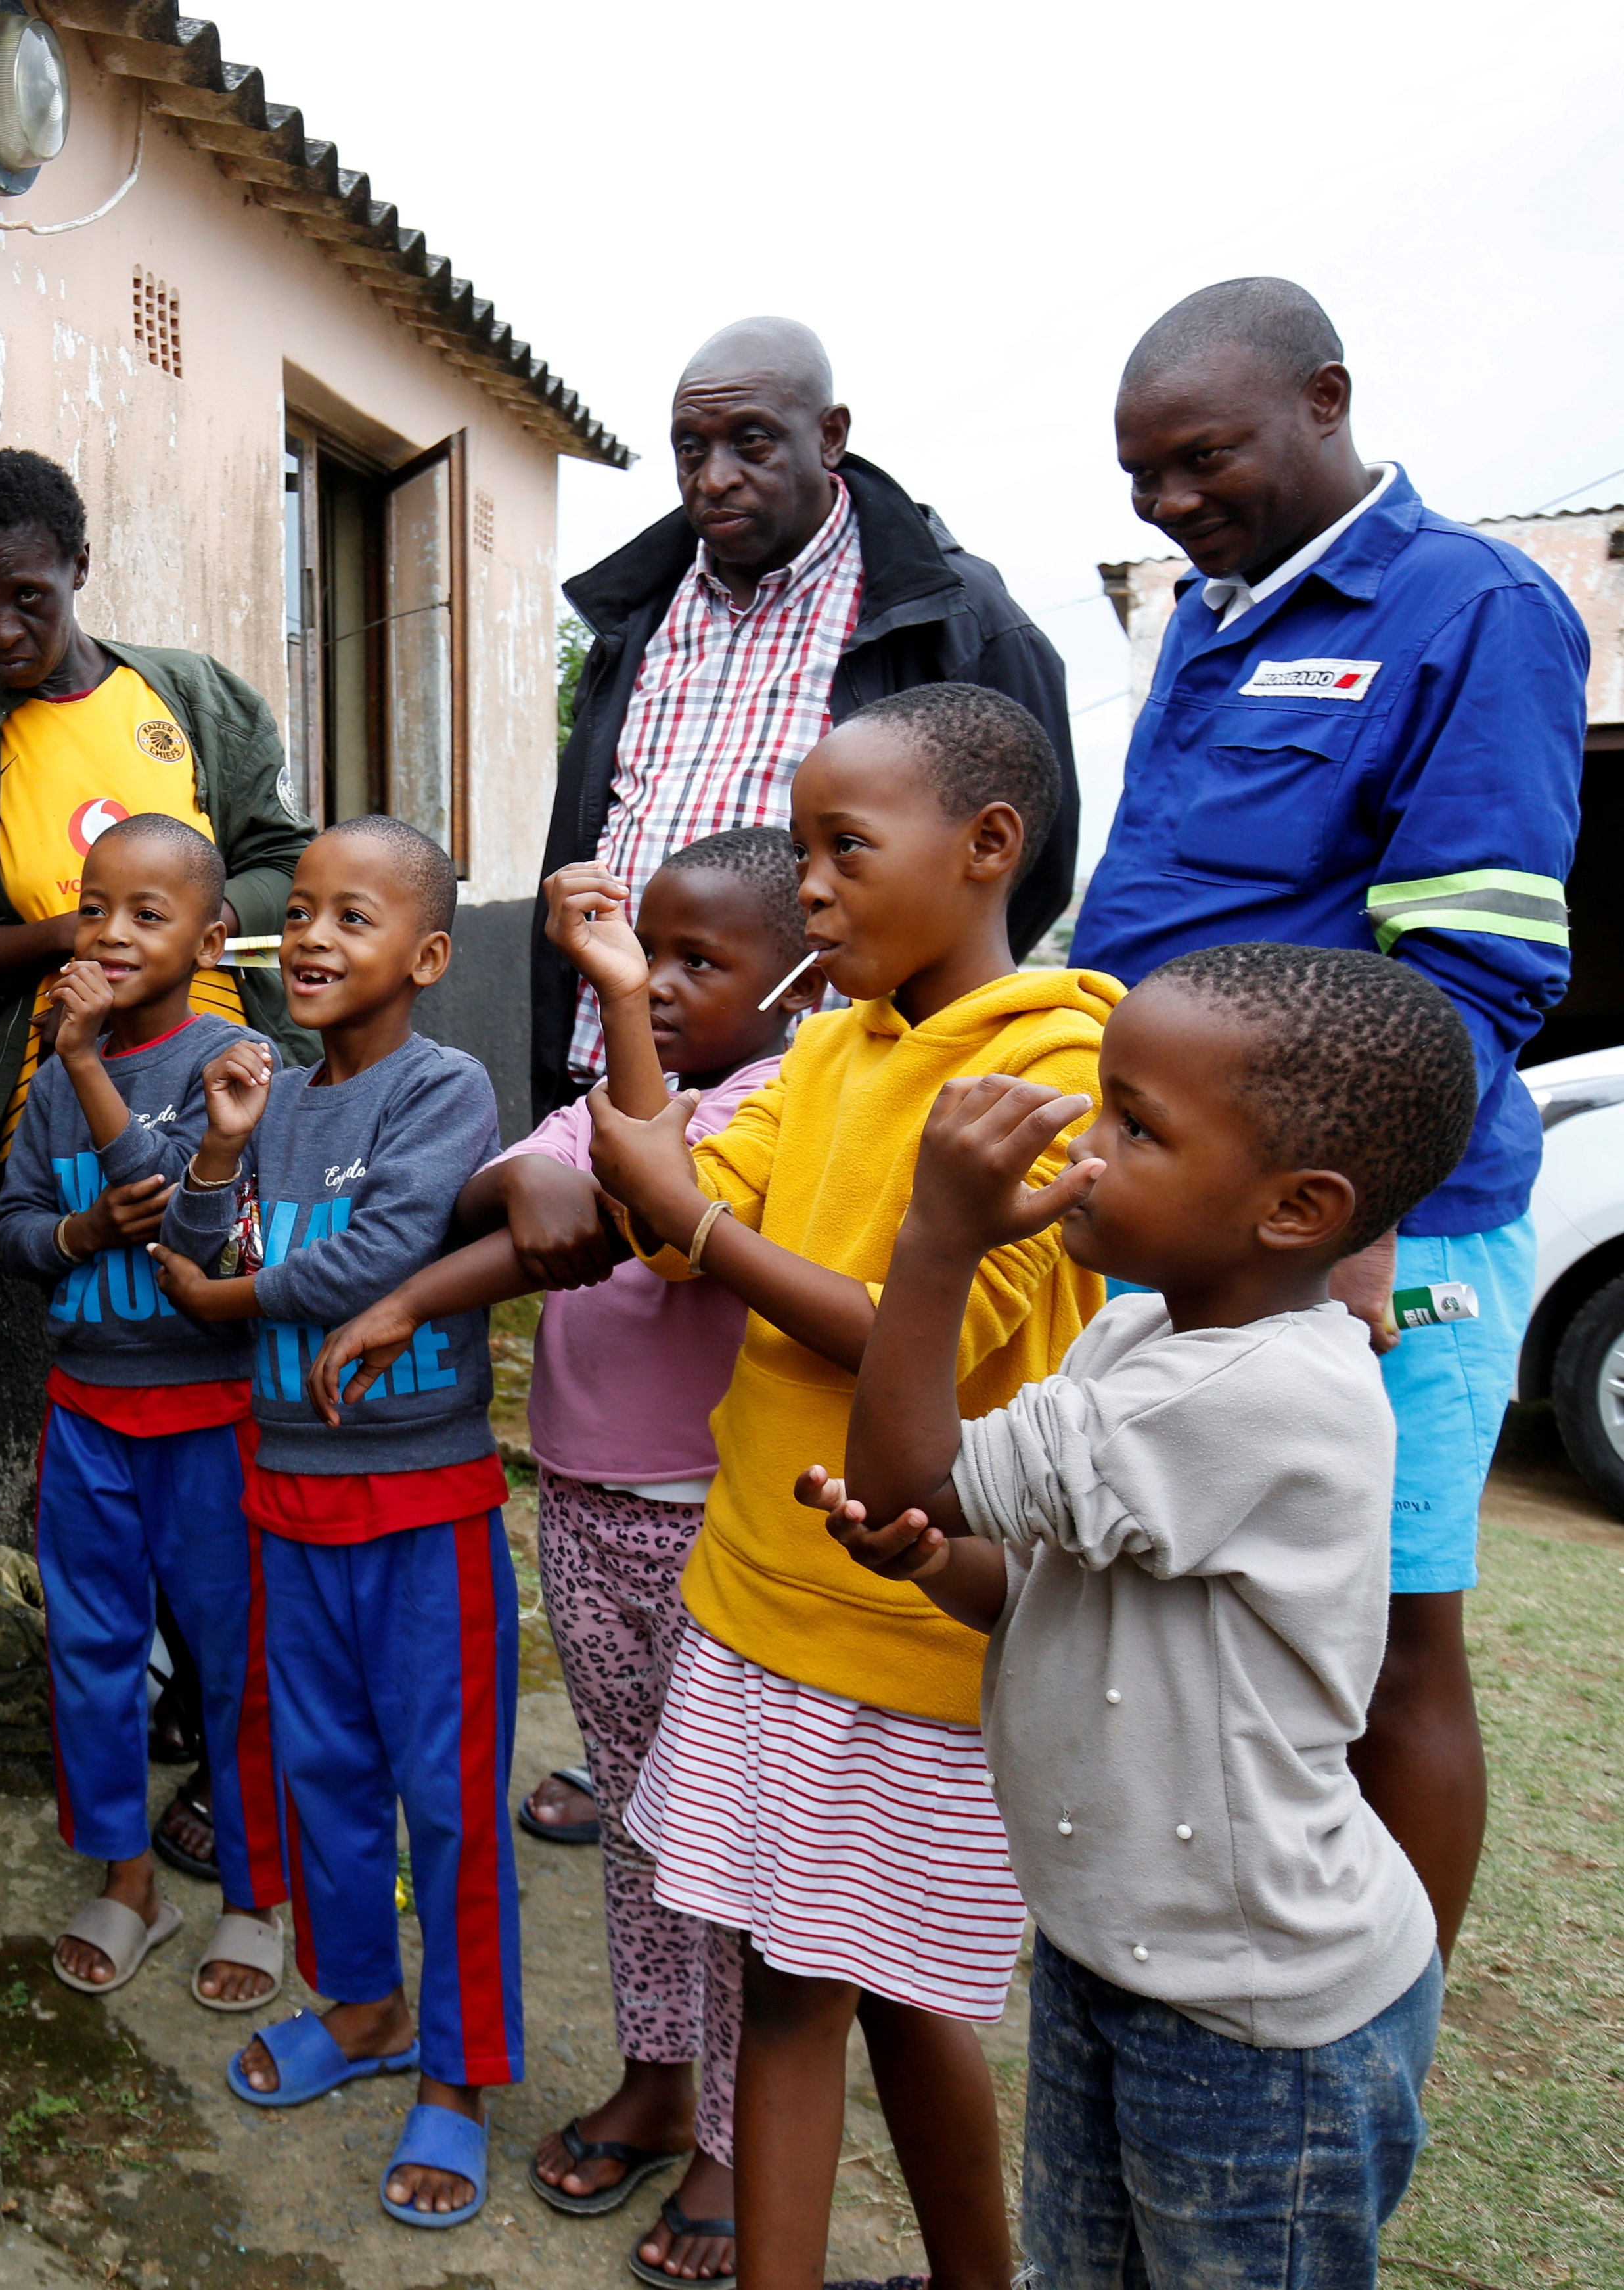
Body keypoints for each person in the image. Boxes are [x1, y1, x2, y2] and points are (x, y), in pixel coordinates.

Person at [812, 941, 1471, 2281]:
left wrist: (938, 1235)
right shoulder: (1141, 1338)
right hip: (1115, 1949)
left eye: (1137, 1126)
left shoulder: (1252, 1393)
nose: (1086, 1146)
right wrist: (932, 1558)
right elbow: (1037, 1594)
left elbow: (908, 1470)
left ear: (1297, 1208)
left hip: (1252, 2022)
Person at [1075, 277, 1588, 1963]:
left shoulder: (1472, 608)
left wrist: (1363, 1207)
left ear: (1324, 398)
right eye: (1141, 474)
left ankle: (1379, 2023)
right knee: (1192, 1625)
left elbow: (1477, 962)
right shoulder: (1209, 619)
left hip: (1371, 1233)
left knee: (1391, 1643)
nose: (1168, 501)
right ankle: (1217, 1961)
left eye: (1201, 457)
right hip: (1187, 1217)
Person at [581, 684, 1117, 2290]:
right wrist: (623, 1006)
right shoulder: (829, 1045)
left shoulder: (1052, 1063)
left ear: (987, 844)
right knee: (807, 1984)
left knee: (874, 1992)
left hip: (898, 1625)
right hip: (758, 1594)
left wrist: (701, 1224)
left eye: (843, 848)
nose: (808, 888)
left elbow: (921, 1339)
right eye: (802, 851)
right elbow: (665, 1196)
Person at [311, 823, 821, 2288]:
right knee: (641, 1825)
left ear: (798, 983)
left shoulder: (790, 1100)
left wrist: (435, 1283)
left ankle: (734, 2136)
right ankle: (657, 2077)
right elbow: (509, 1191)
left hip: (712, 1527)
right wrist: (513, 1201)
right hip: (588, 1511)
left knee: (728, 1851)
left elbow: (650, 1209)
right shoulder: (610, 1088)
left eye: (699, 961)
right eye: (645, 952)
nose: (654, 982)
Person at [0, 445, 317, 1875]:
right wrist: (73, 937)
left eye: (26, 595)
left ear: (79, 566)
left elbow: (287, 860)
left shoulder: (187, 699)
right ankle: (142, 1735)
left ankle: (233, 1744)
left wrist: (170, 912)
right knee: (112, 1402)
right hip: (60, 1103)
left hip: (217, 1095)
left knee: (230, 1413)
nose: (1, 629)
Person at [146, 817, 517, 2230]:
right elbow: (187, 1255)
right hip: (288, 1504)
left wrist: (228, 1299)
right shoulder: (270, 1095)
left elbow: (381, 1250)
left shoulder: (443, 1087)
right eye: (299, 909)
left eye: (353, 917)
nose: (309, 935)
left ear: (426, 956)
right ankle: (363, 2006)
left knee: (450, 1800)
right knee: (324, 1778)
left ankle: (460, 2071)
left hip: (425, 1512)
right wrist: (220, 1150)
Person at [532, 316, 1080, 1132]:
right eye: (689, 449)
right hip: (605, 1088)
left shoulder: (954, 615)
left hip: (825, 1107)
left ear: (828, 436)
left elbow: (1027, 865)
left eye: (750, 441)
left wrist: (897, 1038)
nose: (715, 477)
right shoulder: (636, 617)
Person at [0, 813, 287, 2011]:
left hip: (215, 1419)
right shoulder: (55, 1073)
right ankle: (130, 1881)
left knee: (239, 1659)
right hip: (89, 1418)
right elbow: (18, 1226)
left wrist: (81, 1066)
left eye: (147, 915)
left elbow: (178, 1209)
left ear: (212, 939)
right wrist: (73, 1233)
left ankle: (257, 1897)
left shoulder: (240, 1065)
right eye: (93, 908)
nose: (110, 934)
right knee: (93, 1654)